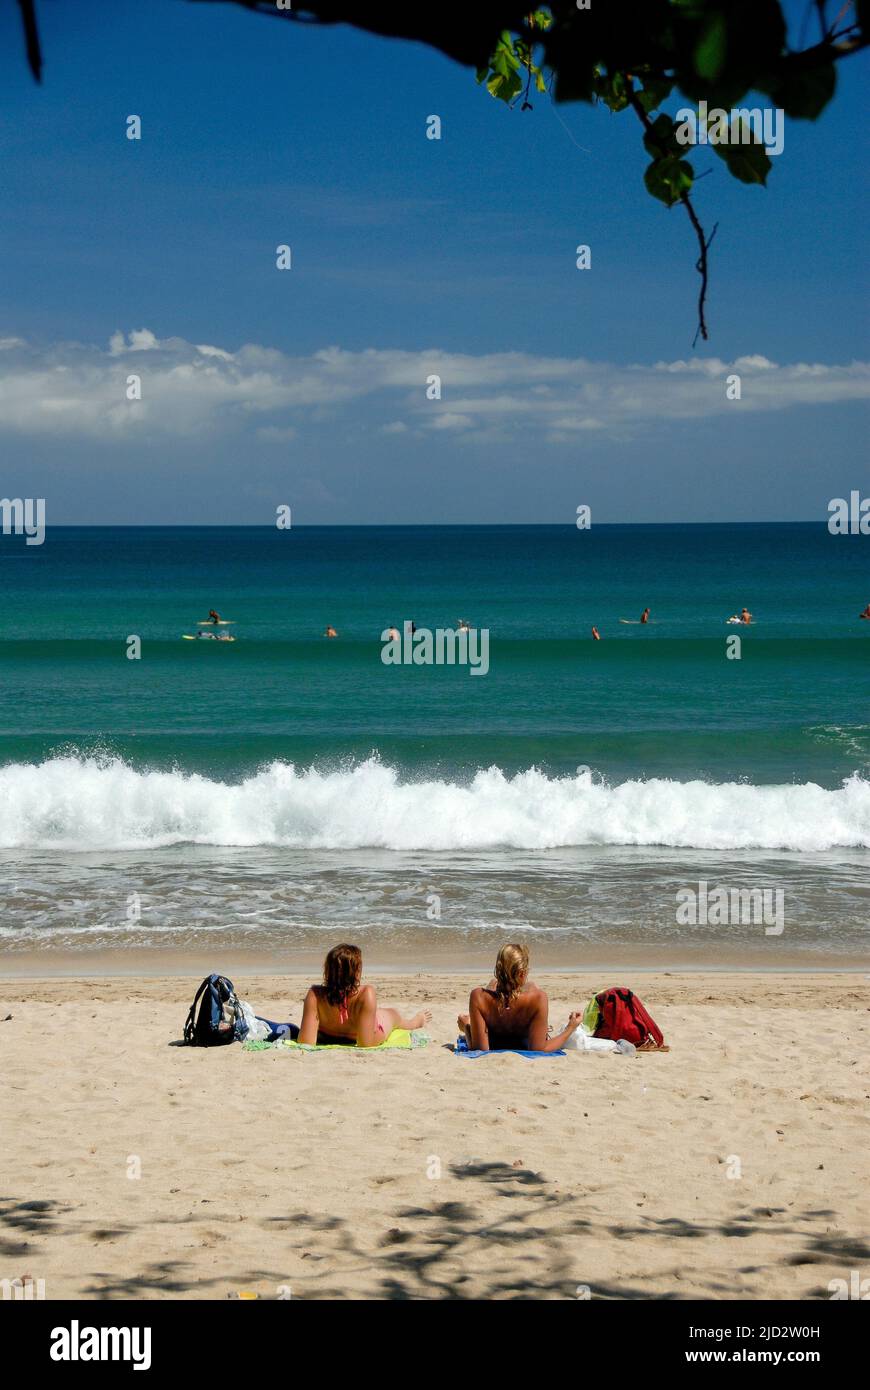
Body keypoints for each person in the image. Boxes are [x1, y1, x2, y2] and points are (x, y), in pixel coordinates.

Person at [298, 943, 431, 1047]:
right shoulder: (365, 994)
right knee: (393, 1015)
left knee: (383, 1013)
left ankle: (416, 1021)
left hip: (327, 1035)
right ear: (356, 972)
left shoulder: (315, 994)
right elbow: (365, 1044)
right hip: (358, 1034)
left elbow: (305, 1042)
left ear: (328, 970)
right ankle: (416, 1021)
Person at [457, 944, 582, 1052]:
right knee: (531, 985)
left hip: (495, 1035)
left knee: (493, 984)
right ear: (522, 973)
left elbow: (480, 1049)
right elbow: (540, 1050)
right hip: (522, 1035)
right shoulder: (539, 998)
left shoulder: (478, 996)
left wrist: (467, 1027)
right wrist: (570, 1027)